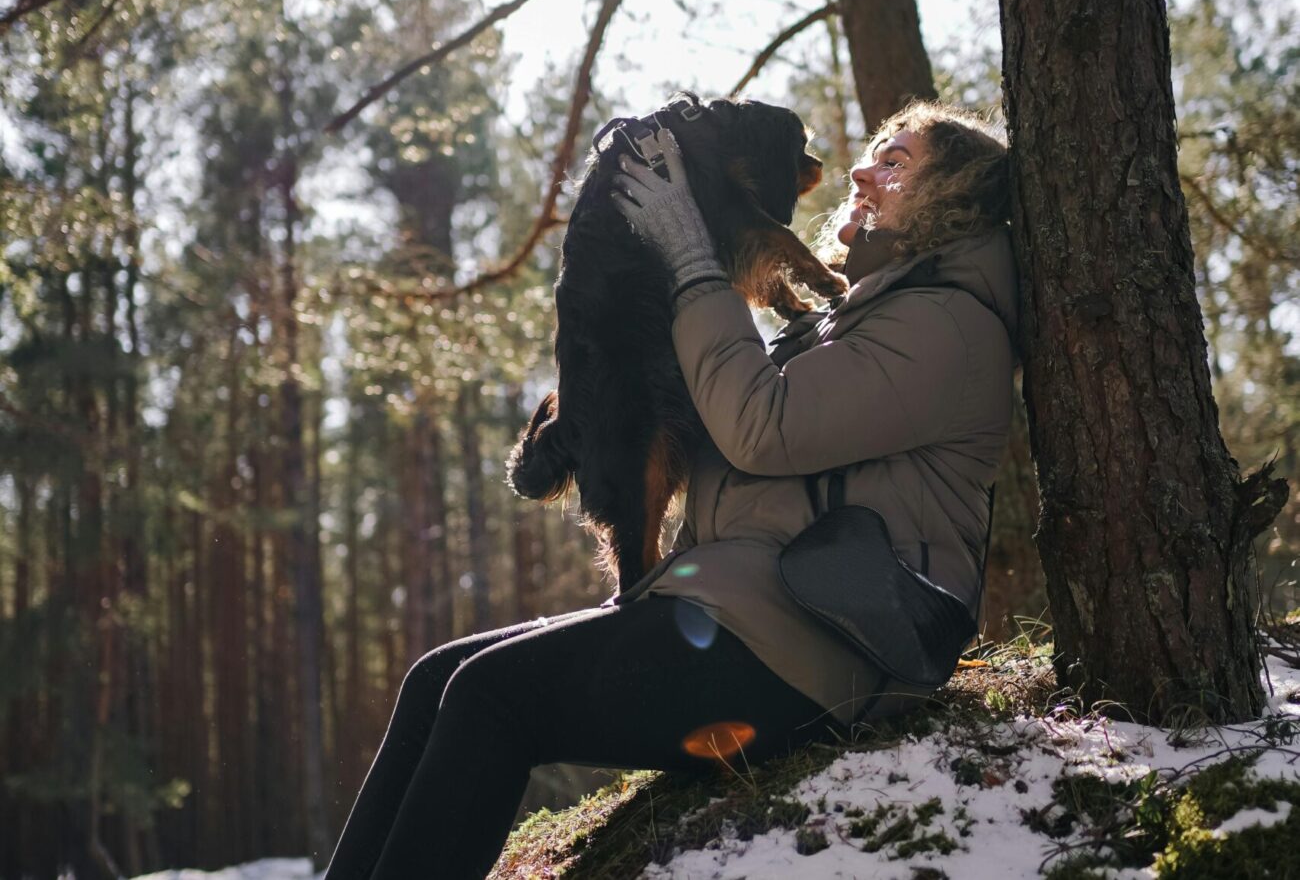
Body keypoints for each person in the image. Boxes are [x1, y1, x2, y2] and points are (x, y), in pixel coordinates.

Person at [321, 100, 1017, 880]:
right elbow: (720, 433)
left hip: (826, 648)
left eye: (897, 162)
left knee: (491, 696)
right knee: (434, 681)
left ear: (955, 198)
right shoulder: (854, 318)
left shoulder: (949, 323)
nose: (860, 170)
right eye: (875, 152)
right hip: (746, 612)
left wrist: (688, 253)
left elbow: (761, 427)